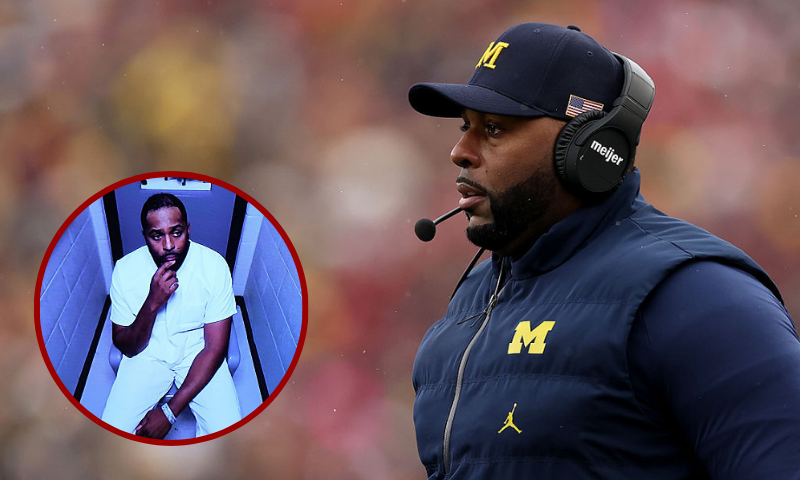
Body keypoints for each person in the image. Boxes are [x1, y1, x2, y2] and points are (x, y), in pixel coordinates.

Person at [408, 22, 800, 479]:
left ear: (589, 148)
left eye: (494, 128)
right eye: (466, 126)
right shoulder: (467, 306)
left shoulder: (699, 295)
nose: (460, 151)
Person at [101, 193, 241, 439]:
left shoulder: (214, 265)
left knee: (227, 434)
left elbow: (215, 348)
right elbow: (127, 346)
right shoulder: (125, 270)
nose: (168, 245)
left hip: (198, 350)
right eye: (157, 235)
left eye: (177, 232)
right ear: (145, 235)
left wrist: (169, 412)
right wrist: (153, 301)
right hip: (147, 354)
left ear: (188, 228)